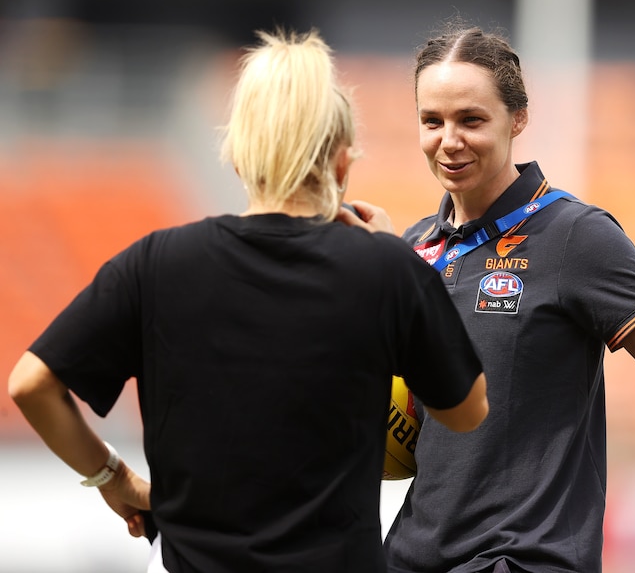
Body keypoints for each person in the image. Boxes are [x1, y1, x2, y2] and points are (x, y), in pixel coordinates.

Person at [341, 21, 635, 573]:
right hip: (410, 559)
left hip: (519, 559)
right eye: (432, 121)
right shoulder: (414, 248)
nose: (449, 140)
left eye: (471, 119)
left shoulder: (576, 236)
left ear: (518, 118)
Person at [7, 28, 488, 573]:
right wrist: (400, 265)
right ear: (341, 161)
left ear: (237, 155)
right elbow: (467, 411)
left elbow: (31, 383)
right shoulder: (385, 269)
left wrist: (111, 477)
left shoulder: (156, 262)